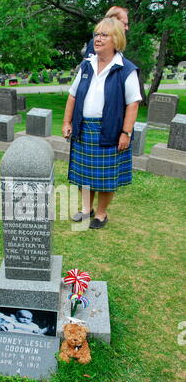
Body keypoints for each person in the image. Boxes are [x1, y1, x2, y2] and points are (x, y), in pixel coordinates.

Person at [62, 17, 142, 229]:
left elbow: (133, 104)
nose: (98, 39)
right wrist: (66, 122)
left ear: (116, 40)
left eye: (104, 35)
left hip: (110, 131)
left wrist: (126, 133)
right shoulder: (86, 66)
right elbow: (72, 96)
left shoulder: (126, 69)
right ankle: (86, 209)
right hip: (84, 129)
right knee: (83, 175)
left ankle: (101, 214)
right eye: (97, 34)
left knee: (106, 178)